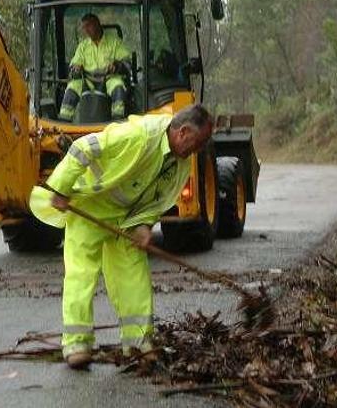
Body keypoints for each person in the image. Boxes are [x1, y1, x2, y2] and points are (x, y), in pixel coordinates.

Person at [29, 105, 214, 369]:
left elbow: (160, 198)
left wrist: (144, 225)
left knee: (134, 277)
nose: (198, 150)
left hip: (126, 220)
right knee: (82, 275)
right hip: (90, 208)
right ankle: (77, 343)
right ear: (183, 132)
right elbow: (83, 147)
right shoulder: (138, 135)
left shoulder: (181, 163)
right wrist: (61, 187)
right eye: (198, 143)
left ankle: (138, 342)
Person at [59, 13, 131, 121]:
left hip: (109, 78)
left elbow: (126, 62)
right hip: (87, 81)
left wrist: (117, 65)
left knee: (118, 86)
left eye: (88, 26)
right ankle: (64, 124)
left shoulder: (114, 42)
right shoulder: (83, 46)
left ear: (97, 24)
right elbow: (74, 66)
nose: (86, 30)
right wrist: (76, 68)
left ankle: (117, 120)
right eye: (84, 27)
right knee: (72, 87)